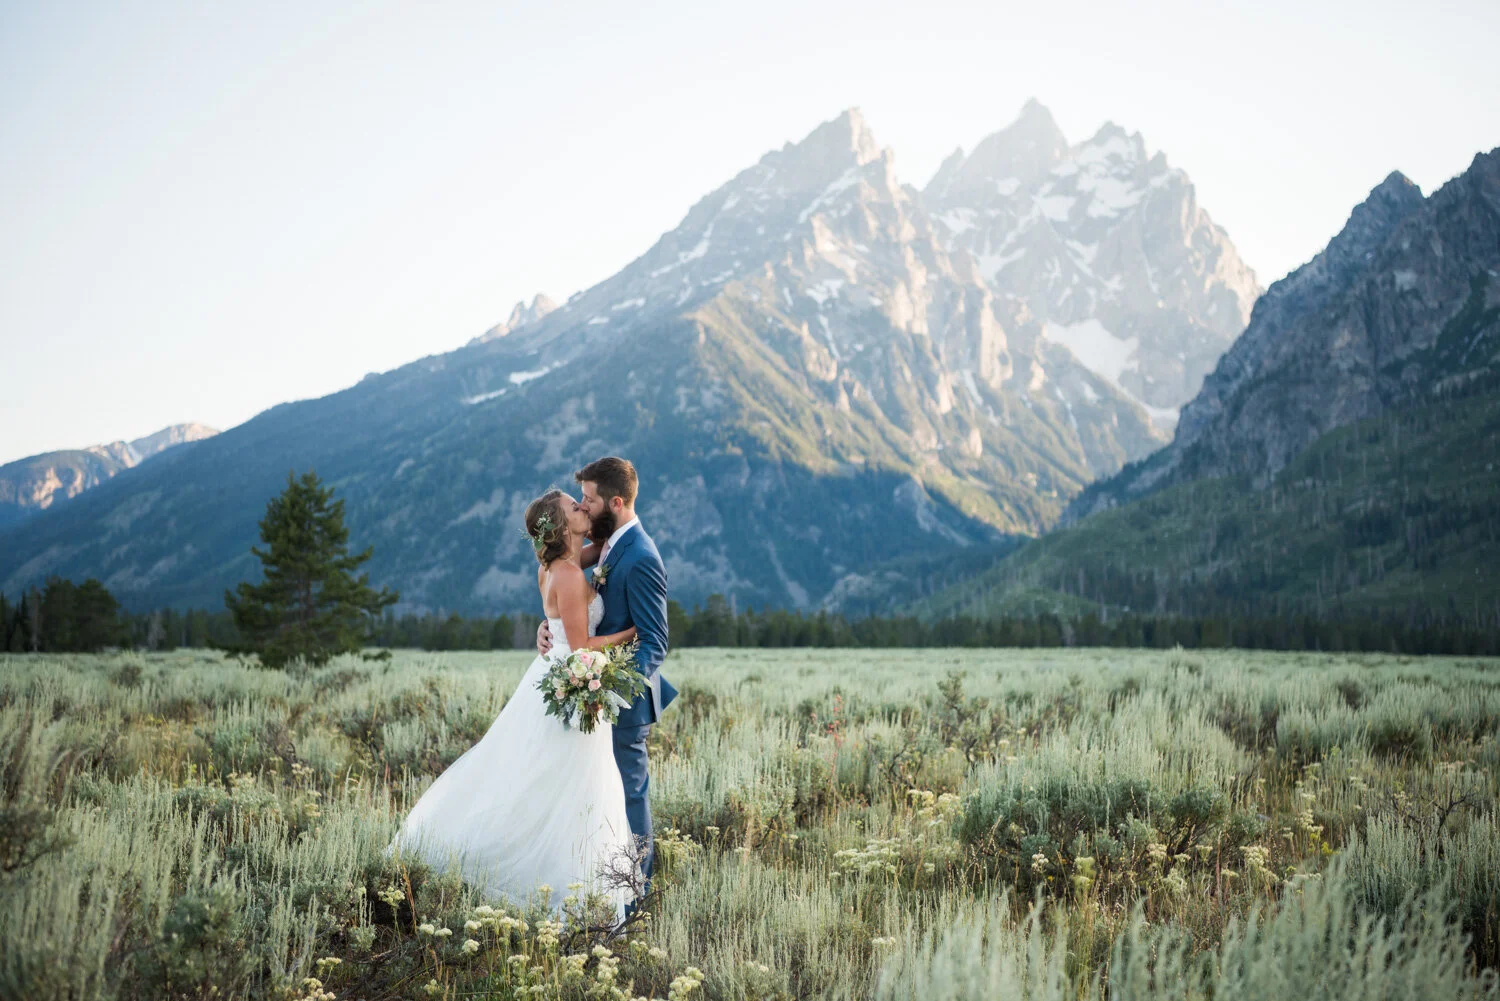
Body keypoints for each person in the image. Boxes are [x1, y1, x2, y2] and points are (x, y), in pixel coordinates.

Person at [389, 488, 640, 921]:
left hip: (549, 679)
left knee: (539, 783)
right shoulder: (567, 574)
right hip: (573, 683)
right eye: (573, 507)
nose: (582, 508)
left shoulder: (552, 566)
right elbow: (581, 647)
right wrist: (629, 633)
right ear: (561, 526)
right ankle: (568, 890)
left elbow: (600, 552)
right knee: (574, 789)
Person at [537, 456, 676, 916]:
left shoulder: (641, 557)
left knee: (629, 800)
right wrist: (551, 626)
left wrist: (607, 689)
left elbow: (655, 642)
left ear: (615, 502)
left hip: (621, 704)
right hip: (590, 694)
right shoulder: (609, 543)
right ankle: (596, 891)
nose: (583, 505)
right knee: (593, 800)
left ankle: (637, 901)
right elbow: (568, 587)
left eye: (590, 500)